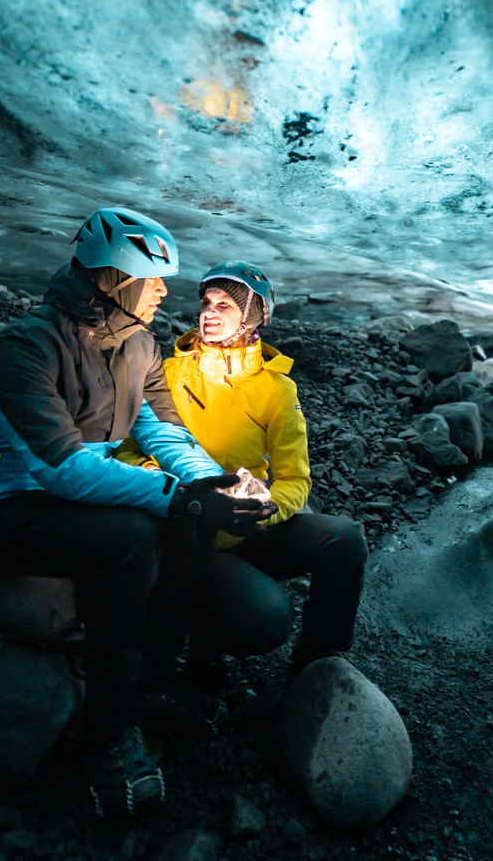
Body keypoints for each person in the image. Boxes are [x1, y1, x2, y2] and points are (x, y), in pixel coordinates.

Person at [0, 209, 272, 817]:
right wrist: (178, 496)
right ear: (117, 279)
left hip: (68, 494)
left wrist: (213, 484)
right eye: (155, 281)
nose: (165, 293)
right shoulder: (26, 346)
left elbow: (160, 428)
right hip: (15, 501)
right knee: (128, 535)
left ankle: (145, 686)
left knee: (188, 517)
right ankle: (107, 737)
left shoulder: (137, 344)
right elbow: (58, 467)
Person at [118, 260, 367, 691]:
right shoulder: (168, 374)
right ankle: (201, 644)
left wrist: (264, 510)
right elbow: (126, 448)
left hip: (249, 527)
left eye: (224, 306)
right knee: (266, 619)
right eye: (205, 303)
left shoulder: (276, 388)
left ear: (253, 317)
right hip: (186, 528)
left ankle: (317, 667)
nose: (208, 314)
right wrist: (176, 490)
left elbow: (295, 479)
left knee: (344, 538)